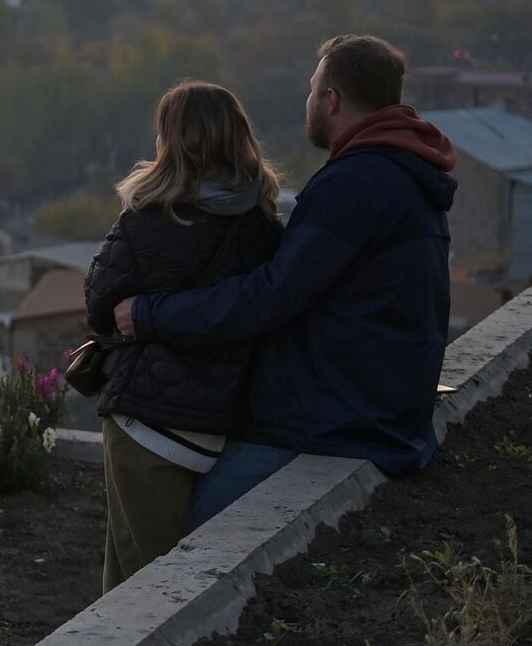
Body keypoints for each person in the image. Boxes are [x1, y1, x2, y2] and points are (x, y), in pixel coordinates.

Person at [115, 34, 456, 528]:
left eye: (313, 89)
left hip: (336, 420)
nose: (309, 102)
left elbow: (269, 296)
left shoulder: (358, 183)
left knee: (195, 539)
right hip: (381, 404)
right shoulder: (404, 171)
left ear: (331, 99)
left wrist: (150, 314)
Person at [84, 81, 284, 591]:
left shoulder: (149, 218)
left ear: (171, 142)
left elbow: (98, 303)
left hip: (146, 425)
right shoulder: (264, 227)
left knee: (145, 588)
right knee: (131, 574)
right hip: (217, 422)